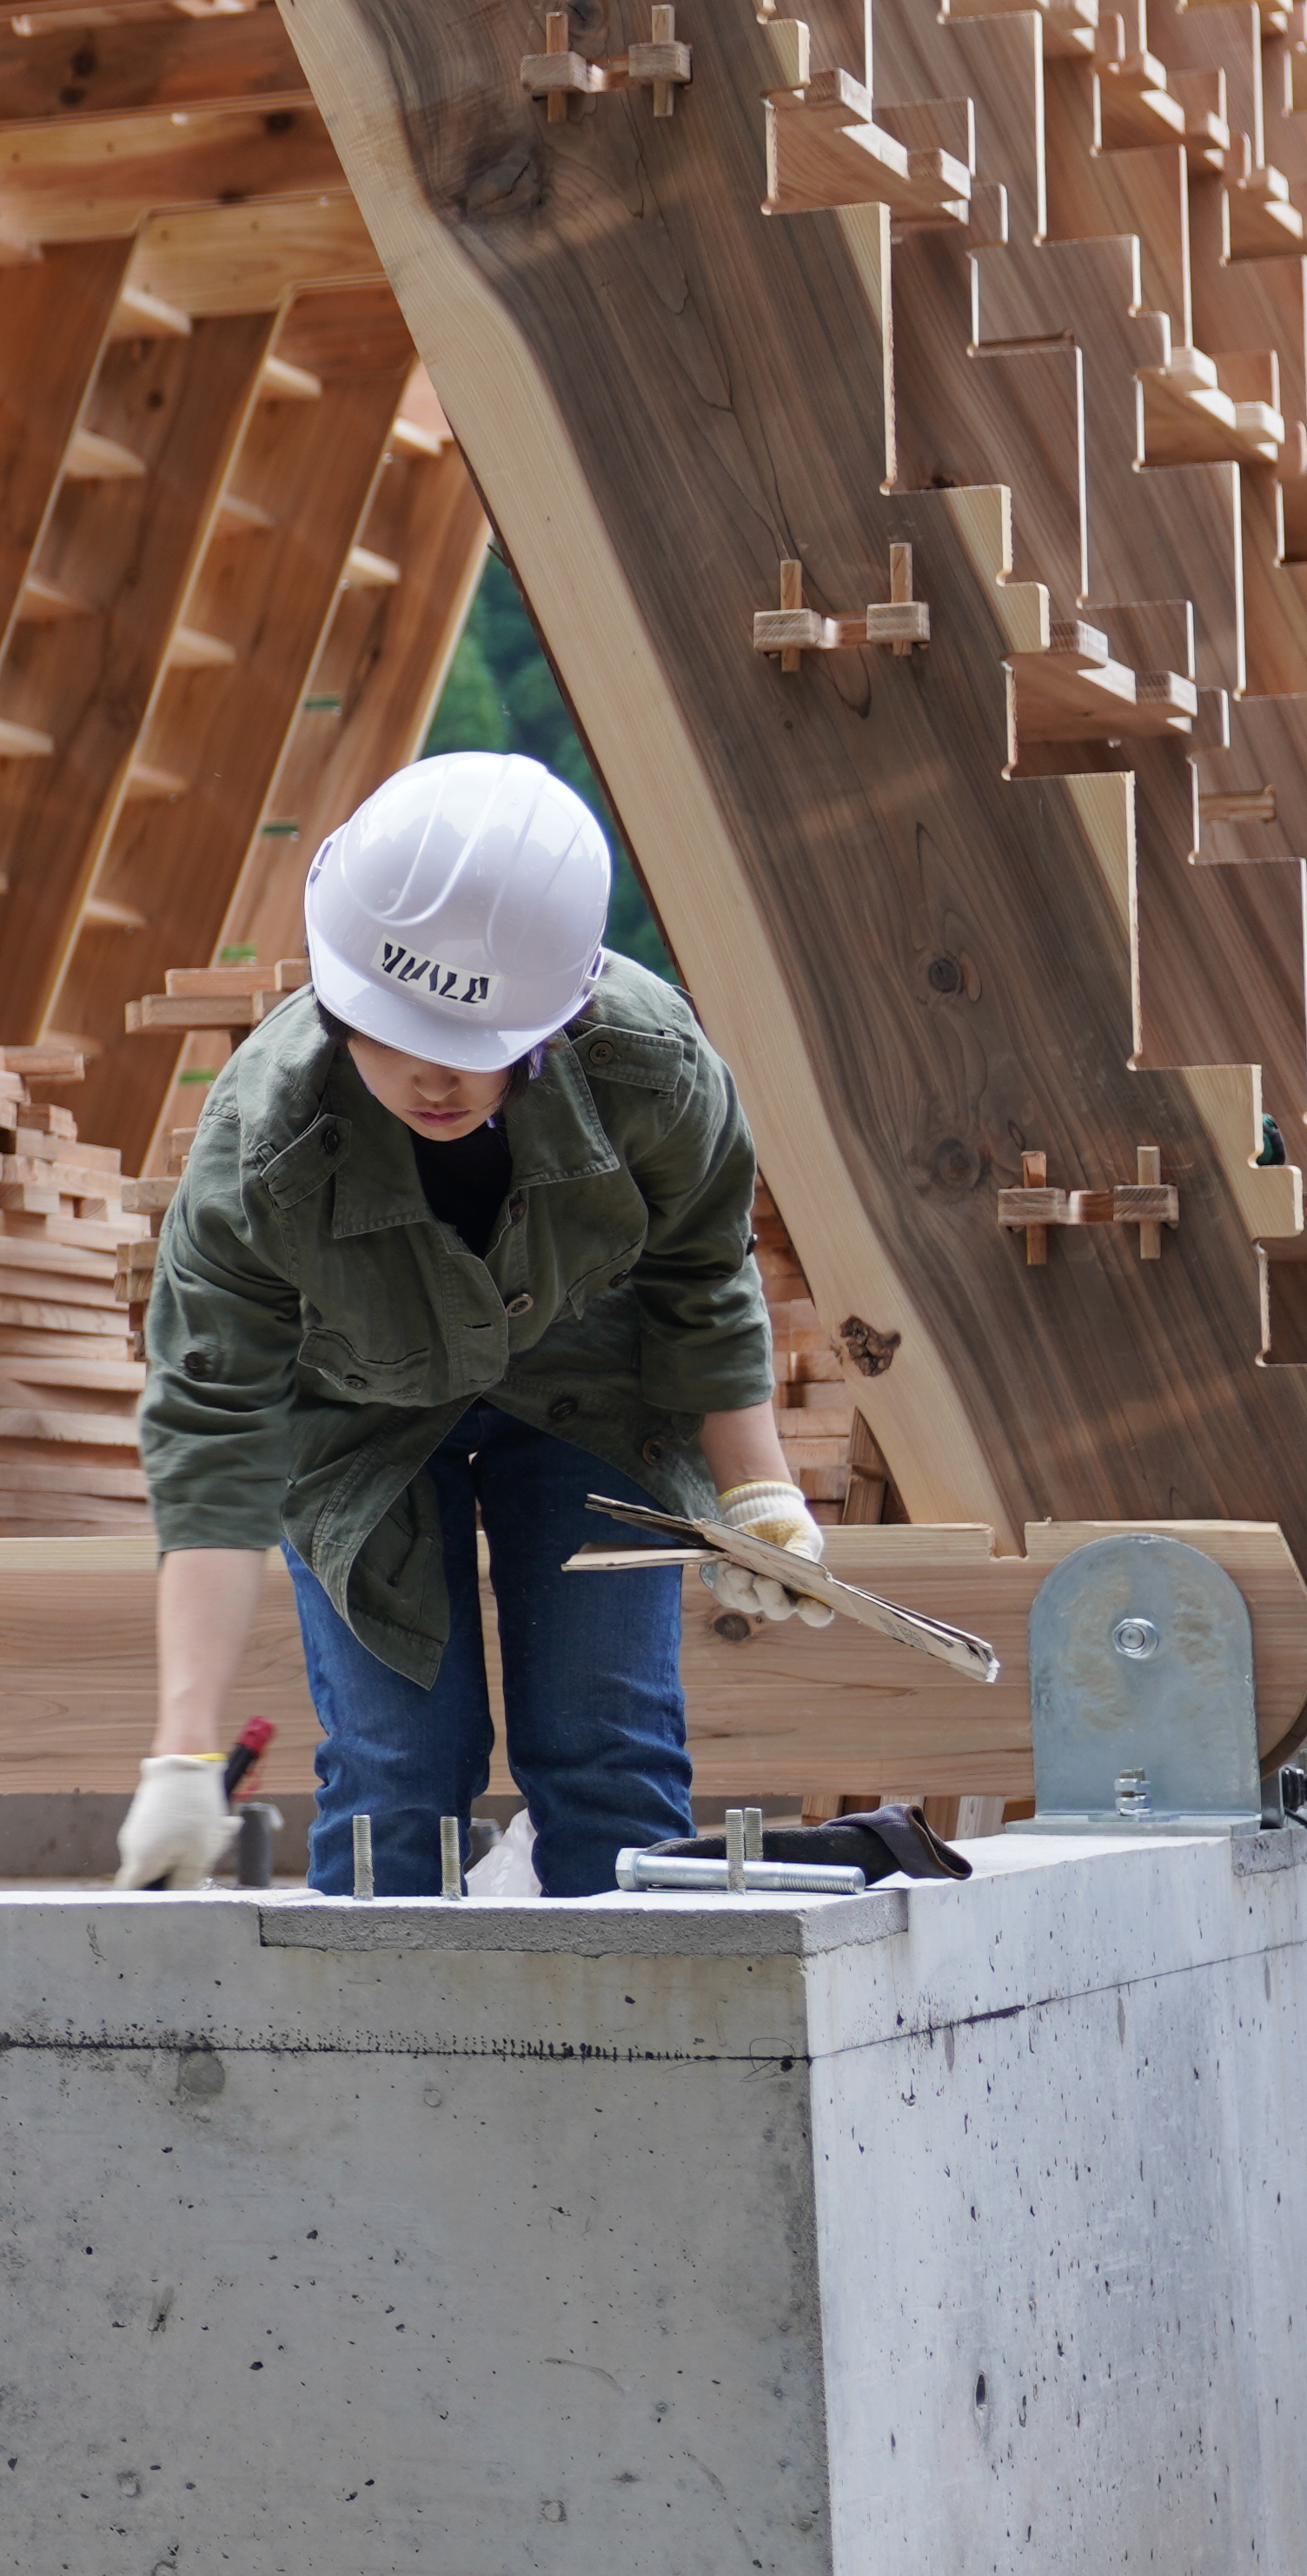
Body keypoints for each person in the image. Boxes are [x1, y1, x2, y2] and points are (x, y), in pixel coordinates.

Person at [119, 751, 826, 1901]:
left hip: (586, 1396)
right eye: (395, 1030)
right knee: (397, 1768)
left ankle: (643, 2066)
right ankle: (372, 2077)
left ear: (559, 1009)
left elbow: (703, 1275)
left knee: (610, 1753)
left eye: (476, 1044)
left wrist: (755, 1493)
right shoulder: (259, 1149)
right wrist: (186, 1750)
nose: (436, 1074)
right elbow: (214, 1442)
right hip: (356, 1428)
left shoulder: (650, 1067)